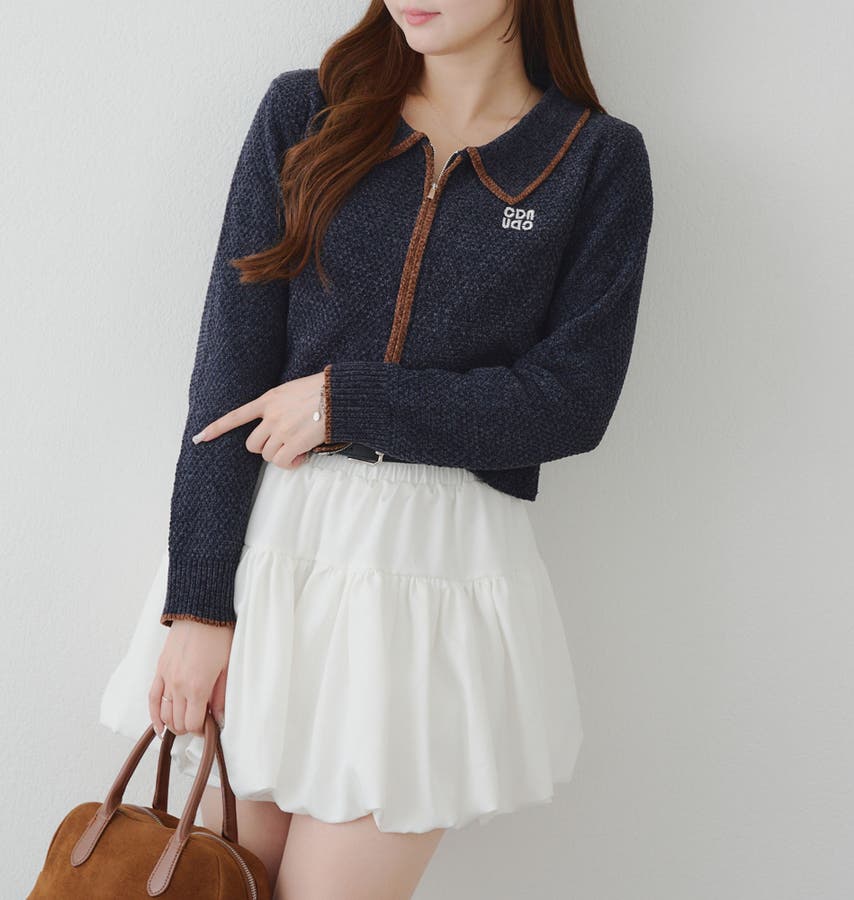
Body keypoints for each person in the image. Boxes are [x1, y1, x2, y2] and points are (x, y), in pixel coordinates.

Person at [99, 0, 654, 896]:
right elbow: (226, 380)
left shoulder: (594, 159)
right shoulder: (307, 114)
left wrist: (346, 401)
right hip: (271, 559)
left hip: (432, 579)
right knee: (212, 883)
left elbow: (570, 404)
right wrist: (197, 606)